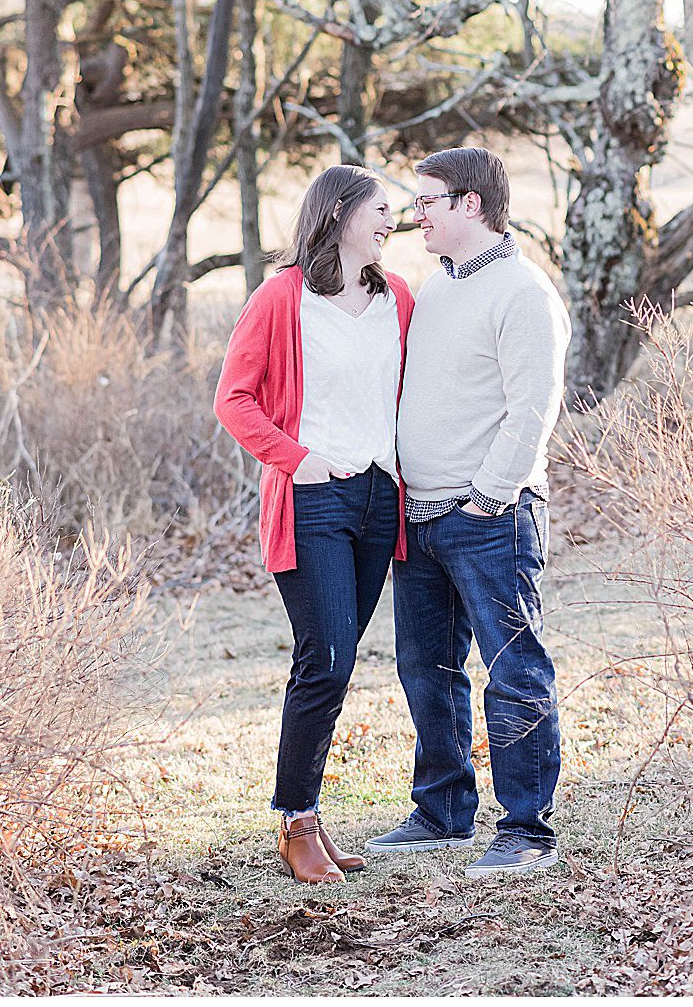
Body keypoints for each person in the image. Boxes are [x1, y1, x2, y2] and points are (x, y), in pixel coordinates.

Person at [363, 145, 571, 878]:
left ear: (469, 205)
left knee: (514, 671)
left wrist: (490, 495)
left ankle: (526, 833)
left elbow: (533, 408)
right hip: (416, 516)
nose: (414, 213)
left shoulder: (523, 292)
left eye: (426, 201)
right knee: (426, 668)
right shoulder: (439, 285)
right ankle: (444, 811)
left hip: (489, 517)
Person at [214, 165, 413, 884]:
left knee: (338, 662)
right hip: (314, 500)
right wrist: (296, 460)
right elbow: (234, 399)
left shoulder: (399, 299)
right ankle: (296, 823)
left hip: (379, 499)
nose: (394, 221)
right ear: (338, 214)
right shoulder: (281, 299)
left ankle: (312, 817)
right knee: (324, 657)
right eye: (382, 209)